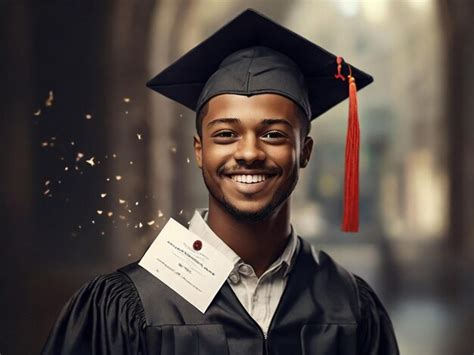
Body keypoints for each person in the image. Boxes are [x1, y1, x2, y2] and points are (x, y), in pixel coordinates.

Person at [42, 9, 399, 355]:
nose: (248, 152)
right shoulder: (127, 305)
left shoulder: (351, 306)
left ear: (304, 151)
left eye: (273, 134)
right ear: (199, 150)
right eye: (226, 134)